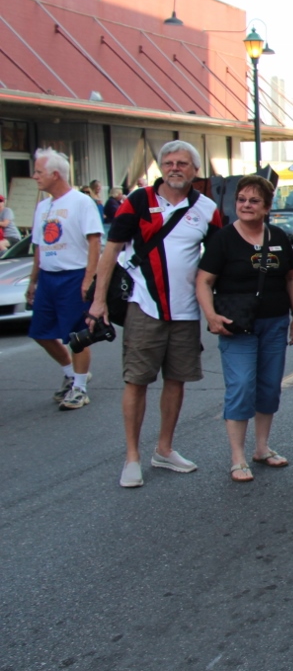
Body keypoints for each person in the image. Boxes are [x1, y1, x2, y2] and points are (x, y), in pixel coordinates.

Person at [89, 140, 225, 488]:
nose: (174, 168)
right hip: (144, 306)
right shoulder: (137, 202)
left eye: (182, 163)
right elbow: (112, 250)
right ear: (161, 168)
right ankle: (132, 456)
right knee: (137, 381)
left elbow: (219, 258)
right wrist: (98, 300)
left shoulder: (207, 208)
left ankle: (164, 448)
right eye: (168, 162)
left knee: (176, 380)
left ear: (195, 170)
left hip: (185, 311)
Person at [196, 176, 293, 482]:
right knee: (242, 385)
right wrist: (211, 316)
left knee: (269, 386)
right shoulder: (223, 239)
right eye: (241, 199)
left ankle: (262, 447)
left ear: (267, 207)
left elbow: (291, 277)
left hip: (274, 322)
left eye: (254, 200)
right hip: (237, 325)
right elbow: (203, 280)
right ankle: (237, 457)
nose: (245, 205)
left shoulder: (279, 237)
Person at [26, 148, 103, 411]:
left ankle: (80, 389)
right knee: (40, 332)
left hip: (73, 276)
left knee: (77, 335)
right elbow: (38, 246)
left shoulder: (81, 202)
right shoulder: (43, 207)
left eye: (39, 171)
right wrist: (33, 281)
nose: (34, 176)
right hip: (48, 278)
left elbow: (94, 241)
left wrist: (88, 279)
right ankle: (71, 374)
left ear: (55, 174)